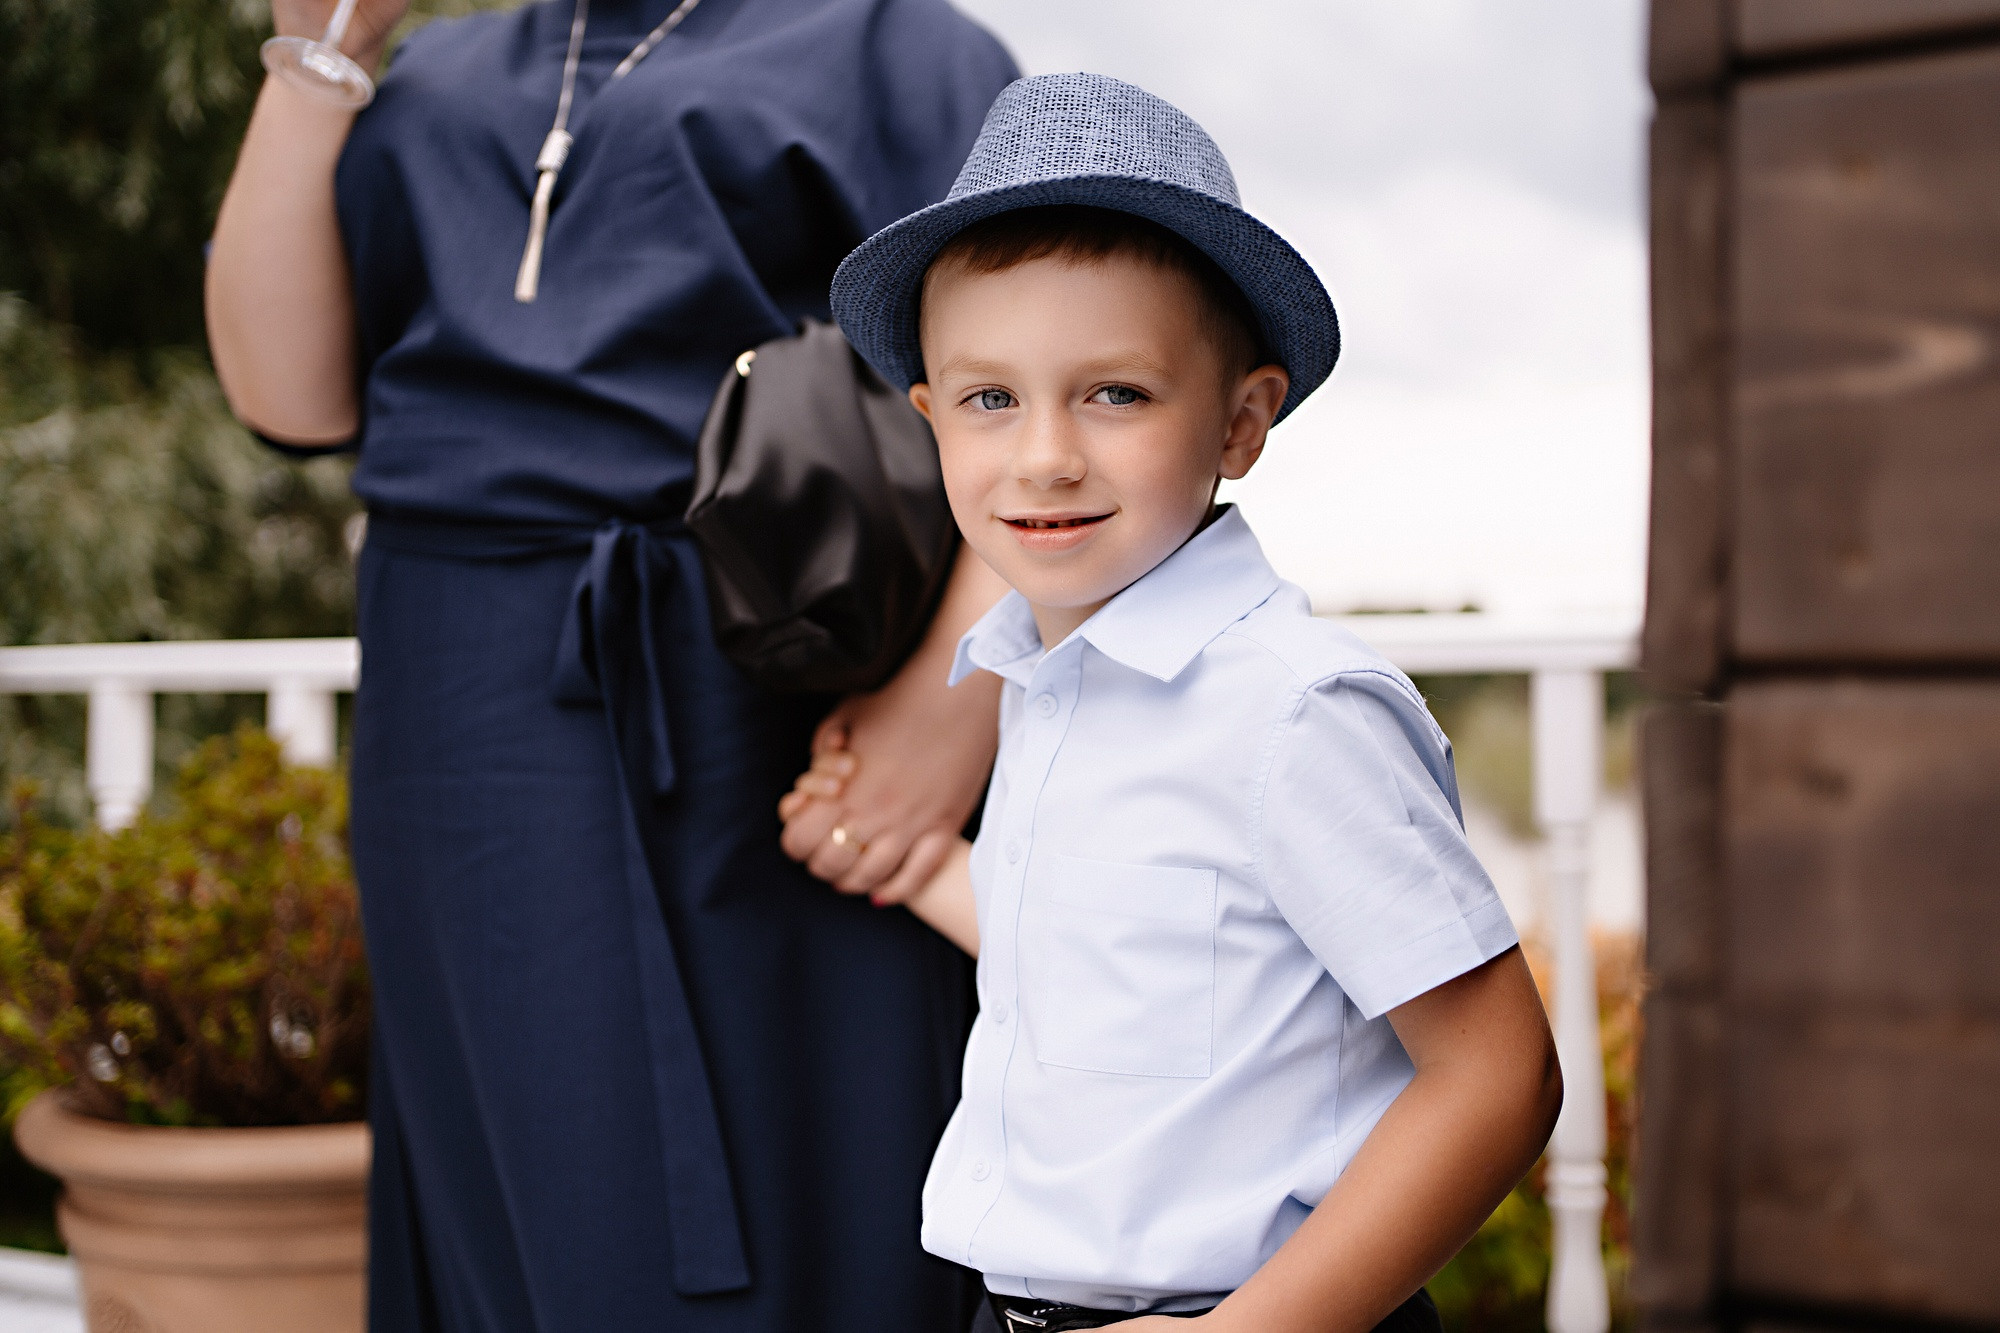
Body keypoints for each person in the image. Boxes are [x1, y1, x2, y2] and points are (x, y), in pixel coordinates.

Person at [203, 1, 1018, 1328]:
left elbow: (1035, 390)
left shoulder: (896, 45)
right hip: (449, 693)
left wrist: (951, 708)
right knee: (501, 1202)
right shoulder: (439, 69)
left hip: (747, 695)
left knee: (782, 1205)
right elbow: (288, 394)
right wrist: (321, 54)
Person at [798, 73, 1565, 1332]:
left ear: (1240, 422)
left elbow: (1495, 1076)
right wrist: (903, 854)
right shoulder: (1045, 684)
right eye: (990, 398)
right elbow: (1119, 953)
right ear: (930, 419)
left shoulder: (1293, 713)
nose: (1043, 452)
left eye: (1115, 393)